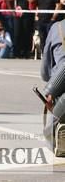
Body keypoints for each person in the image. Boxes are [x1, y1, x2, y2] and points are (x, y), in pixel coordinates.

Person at [41, 16, 65, 155]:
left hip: (59, 90)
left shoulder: (58, 28)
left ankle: (55, 134)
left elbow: (45, 72)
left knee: (50, 132)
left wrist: (51, 90)